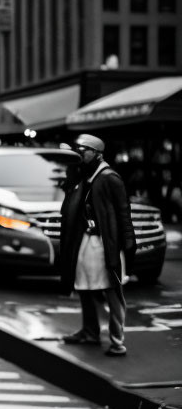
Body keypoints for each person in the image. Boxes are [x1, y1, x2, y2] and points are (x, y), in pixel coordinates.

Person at [59, 133, 136, 356]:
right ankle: (90, 331)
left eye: (84, 151)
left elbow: (124, 213)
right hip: (87, 241)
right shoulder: (84, 176)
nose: (80, 155)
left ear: (97, 153)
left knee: (112, 291)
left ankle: (117, 340)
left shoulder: (110, 177)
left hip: (106, 242)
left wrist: (129, 243)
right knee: (84, 287)